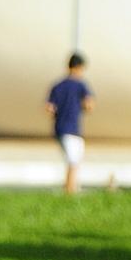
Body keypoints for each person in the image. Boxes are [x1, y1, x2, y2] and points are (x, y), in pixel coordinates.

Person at [46, 53, 94, 195]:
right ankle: (70, 190)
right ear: (79, 67)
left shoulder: (57, 86)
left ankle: (69, 187)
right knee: (74, 160)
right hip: (73, 128)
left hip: (60, 127)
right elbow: (89, 104)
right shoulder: (80, 86)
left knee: (72, 160)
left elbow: (49, 108)